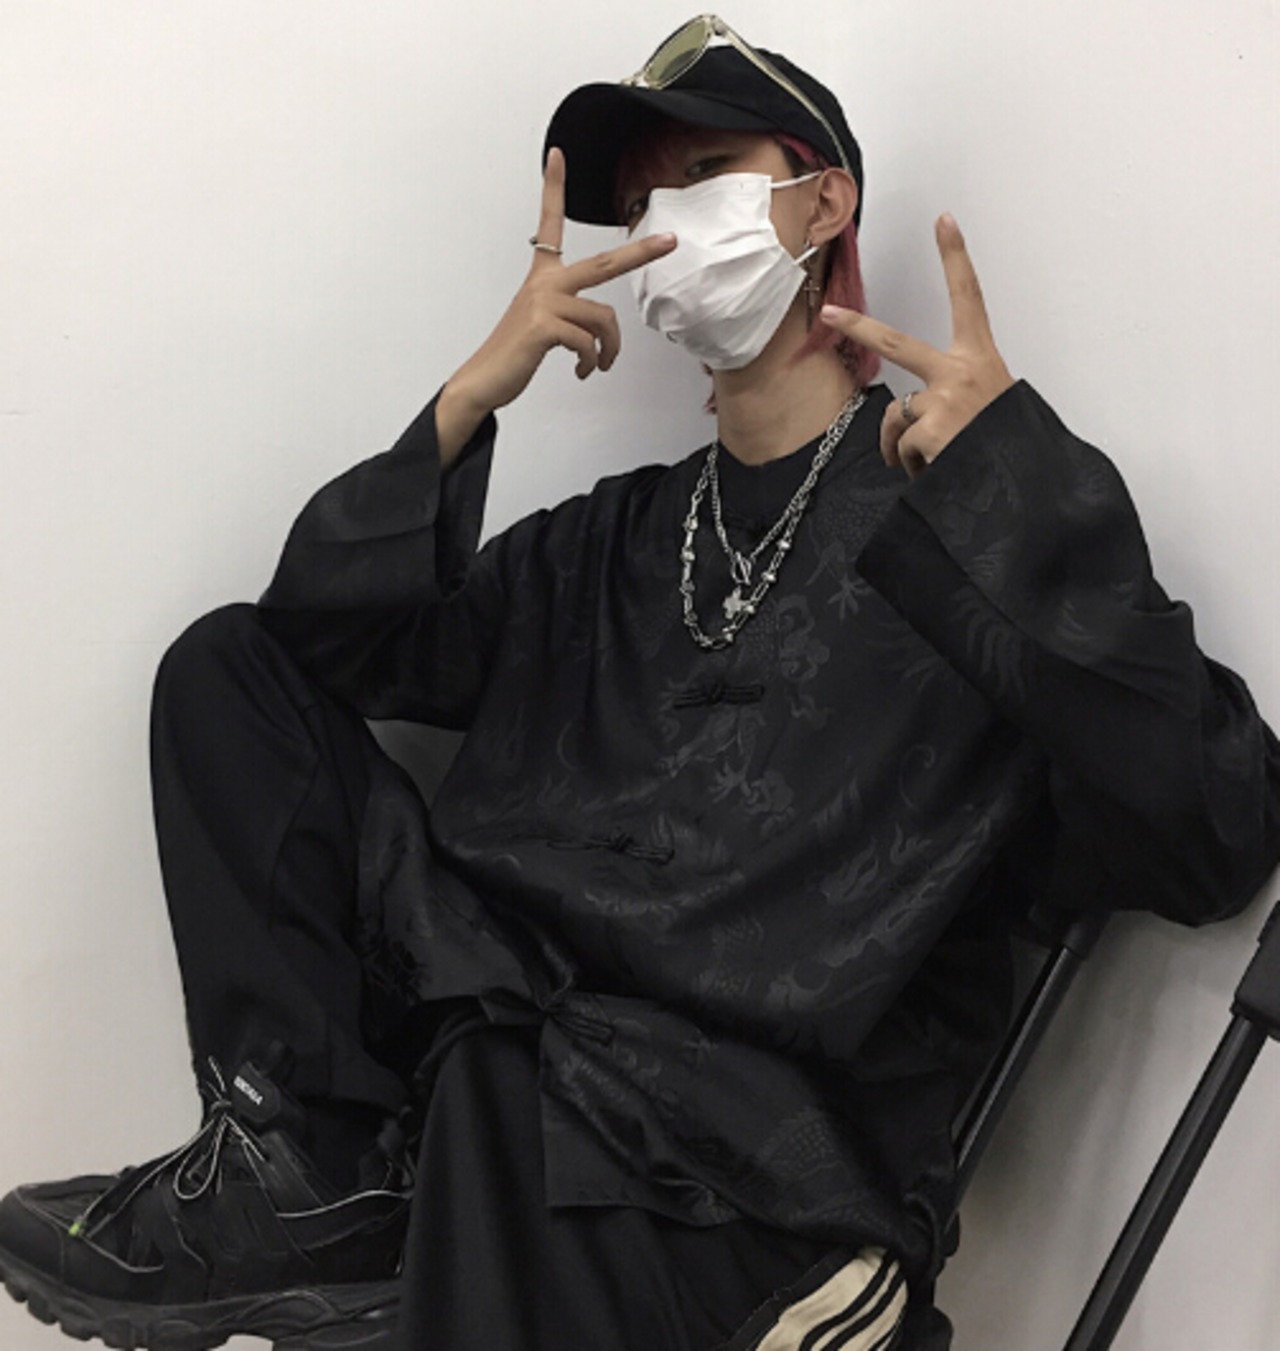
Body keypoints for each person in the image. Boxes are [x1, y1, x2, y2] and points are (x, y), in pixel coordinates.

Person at [1, 14, 1277, 1351]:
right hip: (506, 1066)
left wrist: (1015, 491)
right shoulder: (606, 543)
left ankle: (427, 1215)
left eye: (708, 174)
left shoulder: (961, 536)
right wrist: (472, 397)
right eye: (646, 199)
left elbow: (1217, 831)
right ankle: (314, 1173)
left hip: (753, 1164)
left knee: (505, 1100)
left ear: (824, 202)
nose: (671, 221)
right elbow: (322, 646)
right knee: (226, 671)